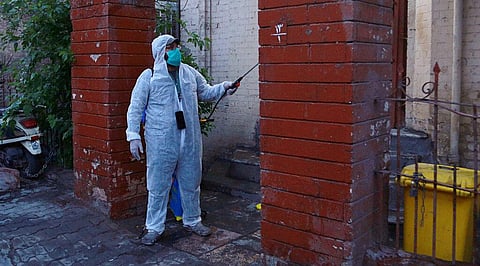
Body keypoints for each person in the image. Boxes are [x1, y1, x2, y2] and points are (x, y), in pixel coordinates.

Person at [126, 34, 237, 246]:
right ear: (160, 52)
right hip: (161, 141)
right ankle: (154, 227)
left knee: (191, 181)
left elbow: (205, 92)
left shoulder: (188, 73)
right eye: (170, 47)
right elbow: (135, 107)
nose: (175, 50)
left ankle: (193, 220)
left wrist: (224, 87)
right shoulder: (149, 77)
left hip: (190, 139)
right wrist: (133, 136)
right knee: (158, 185)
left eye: (176, 46)